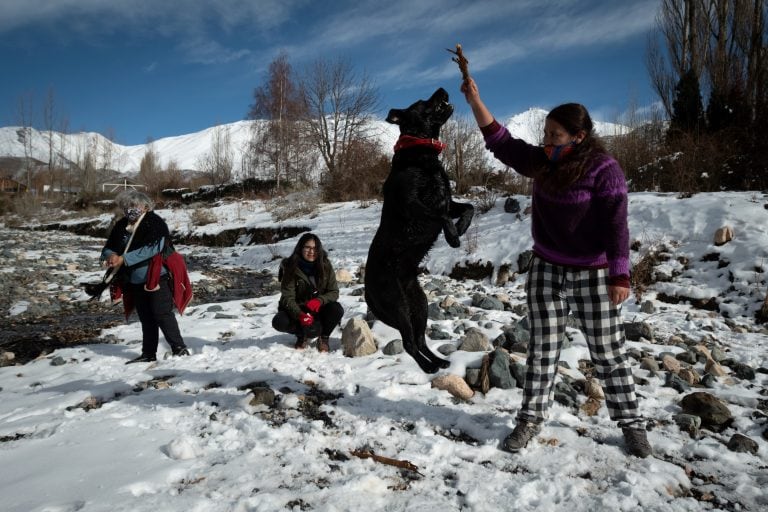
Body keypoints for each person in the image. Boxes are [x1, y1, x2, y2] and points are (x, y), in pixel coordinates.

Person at [461, 77, 652, 458]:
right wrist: (475, 100)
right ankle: (530, 419)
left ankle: (631, 426)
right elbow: (500, 142)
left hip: (593, 272)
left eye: (555, 134)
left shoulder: (604, 169)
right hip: (547, 267)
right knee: (542, 350)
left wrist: (620, 274)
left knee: (607, 353)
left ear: (578, 137)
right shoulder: (543, 162)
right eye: (545, 132)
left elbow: (617, 224)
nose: (547, 139)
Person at [101, 190, 190, 364]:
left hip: (157, 277)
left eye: (134, 206)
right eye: (127, 206)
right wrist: (111, 255)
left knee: (162, 313)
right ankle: (148, 354)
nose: (130, 210)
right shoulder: (121, 226)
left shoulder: (155, 224)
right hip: (134, 280)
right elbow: (108, 247)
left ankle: (179, 348)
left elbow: (152, 249)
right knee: (146, 317)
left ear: (146, 207)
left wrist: (123, 259)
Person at [272, 233, 344, 352]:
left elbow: (334, 292)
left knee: (336, 309)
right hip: (297, 309)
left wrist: (319, 300)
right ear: (301, 248)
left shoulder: (325, 265)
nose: (311, 251)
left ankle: (324, 337)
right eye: (308, 247)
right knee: (279, 321)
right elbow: (287, 298)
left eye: (315, 248)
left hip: (318, 309)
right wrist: (300, 314)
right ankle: (301, 336)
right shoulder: (290, 266)